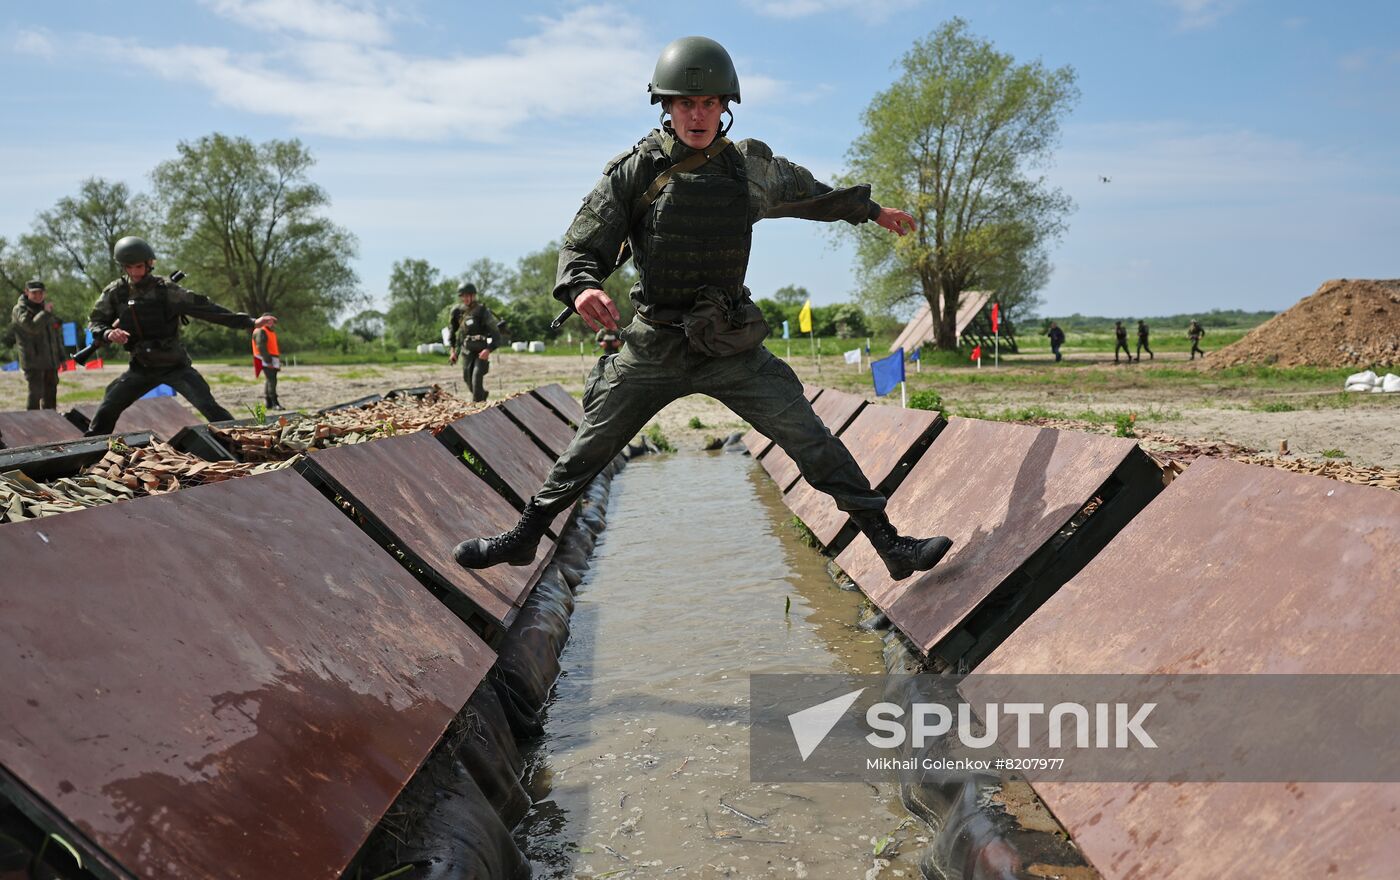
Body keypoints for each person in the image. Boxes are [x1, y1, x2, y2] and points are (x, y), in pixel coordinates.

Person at [453, 36, 952, 581]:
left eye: (710, 103)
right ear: (666, 106)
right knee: (587, 449)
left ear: (725, 107)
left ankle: (890, 545)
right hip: (653, 344)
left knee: (810, 438)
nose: (698, 114)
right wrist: (581, 288)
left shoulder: (749, 168)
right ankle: (525, 537)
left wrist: (873, 212)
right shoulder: (635, 171)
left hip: (728, 343)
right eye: (686, 103)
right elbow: (580, 247)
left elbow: (813, 195)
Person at [84, 236, 275, 436]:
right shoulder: (116, 292)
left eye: (138, 267)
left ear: (149, 264)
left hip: (175, 366)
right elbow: (96, 322)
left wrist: (251, 322)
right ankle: (89, 452)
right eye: (128, 267)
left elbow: (208, 310)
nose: (134, 273)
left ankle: (242, 441)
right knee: (108, 407)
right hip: (141, 368)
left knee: (209, 407)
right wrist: (108, 333)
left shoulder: (166, 290)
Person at [11, 279, 65, 409]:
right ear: (26, 292)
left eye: (40, 293)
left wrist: (61, 357)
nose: (37, 296)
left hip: (50, 361)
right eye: (34, 293)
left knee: (51, 395)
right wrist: (45, 313)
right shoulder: (20, 309)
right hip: (33, 361)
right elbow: (32, 327)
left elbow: (55, 336)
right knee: (35, 395)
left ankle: (51, 423)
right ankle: (32, 425)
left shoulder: (45, 309)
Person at [448, 282, 501, 403]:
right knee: (467, 379)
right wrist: (453, 352)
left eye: (468, 296)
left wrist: (488, 350)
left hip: (481, 351)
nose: (466, 298)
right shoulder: (457, 311)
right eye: (463, 296)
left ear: (473, 296)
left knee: (476, 378)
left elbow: (496, 335)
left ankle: (478, 407)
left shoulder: (483, 311)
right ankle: (482, 396)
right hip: (466, 351)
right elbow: (452, 333)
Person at [252, 313, 283, 410]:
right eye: (268, 320)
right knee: (272, 380)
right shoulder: (261, 331)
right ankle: (274, 403)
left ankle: (269, 403)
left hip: (272, 357)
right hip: (266, 358)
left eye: (272, 321)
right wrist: (268, 361)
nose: (270, 322)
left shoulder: (270, 331)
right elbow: (260, 346)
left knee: (270, 379)